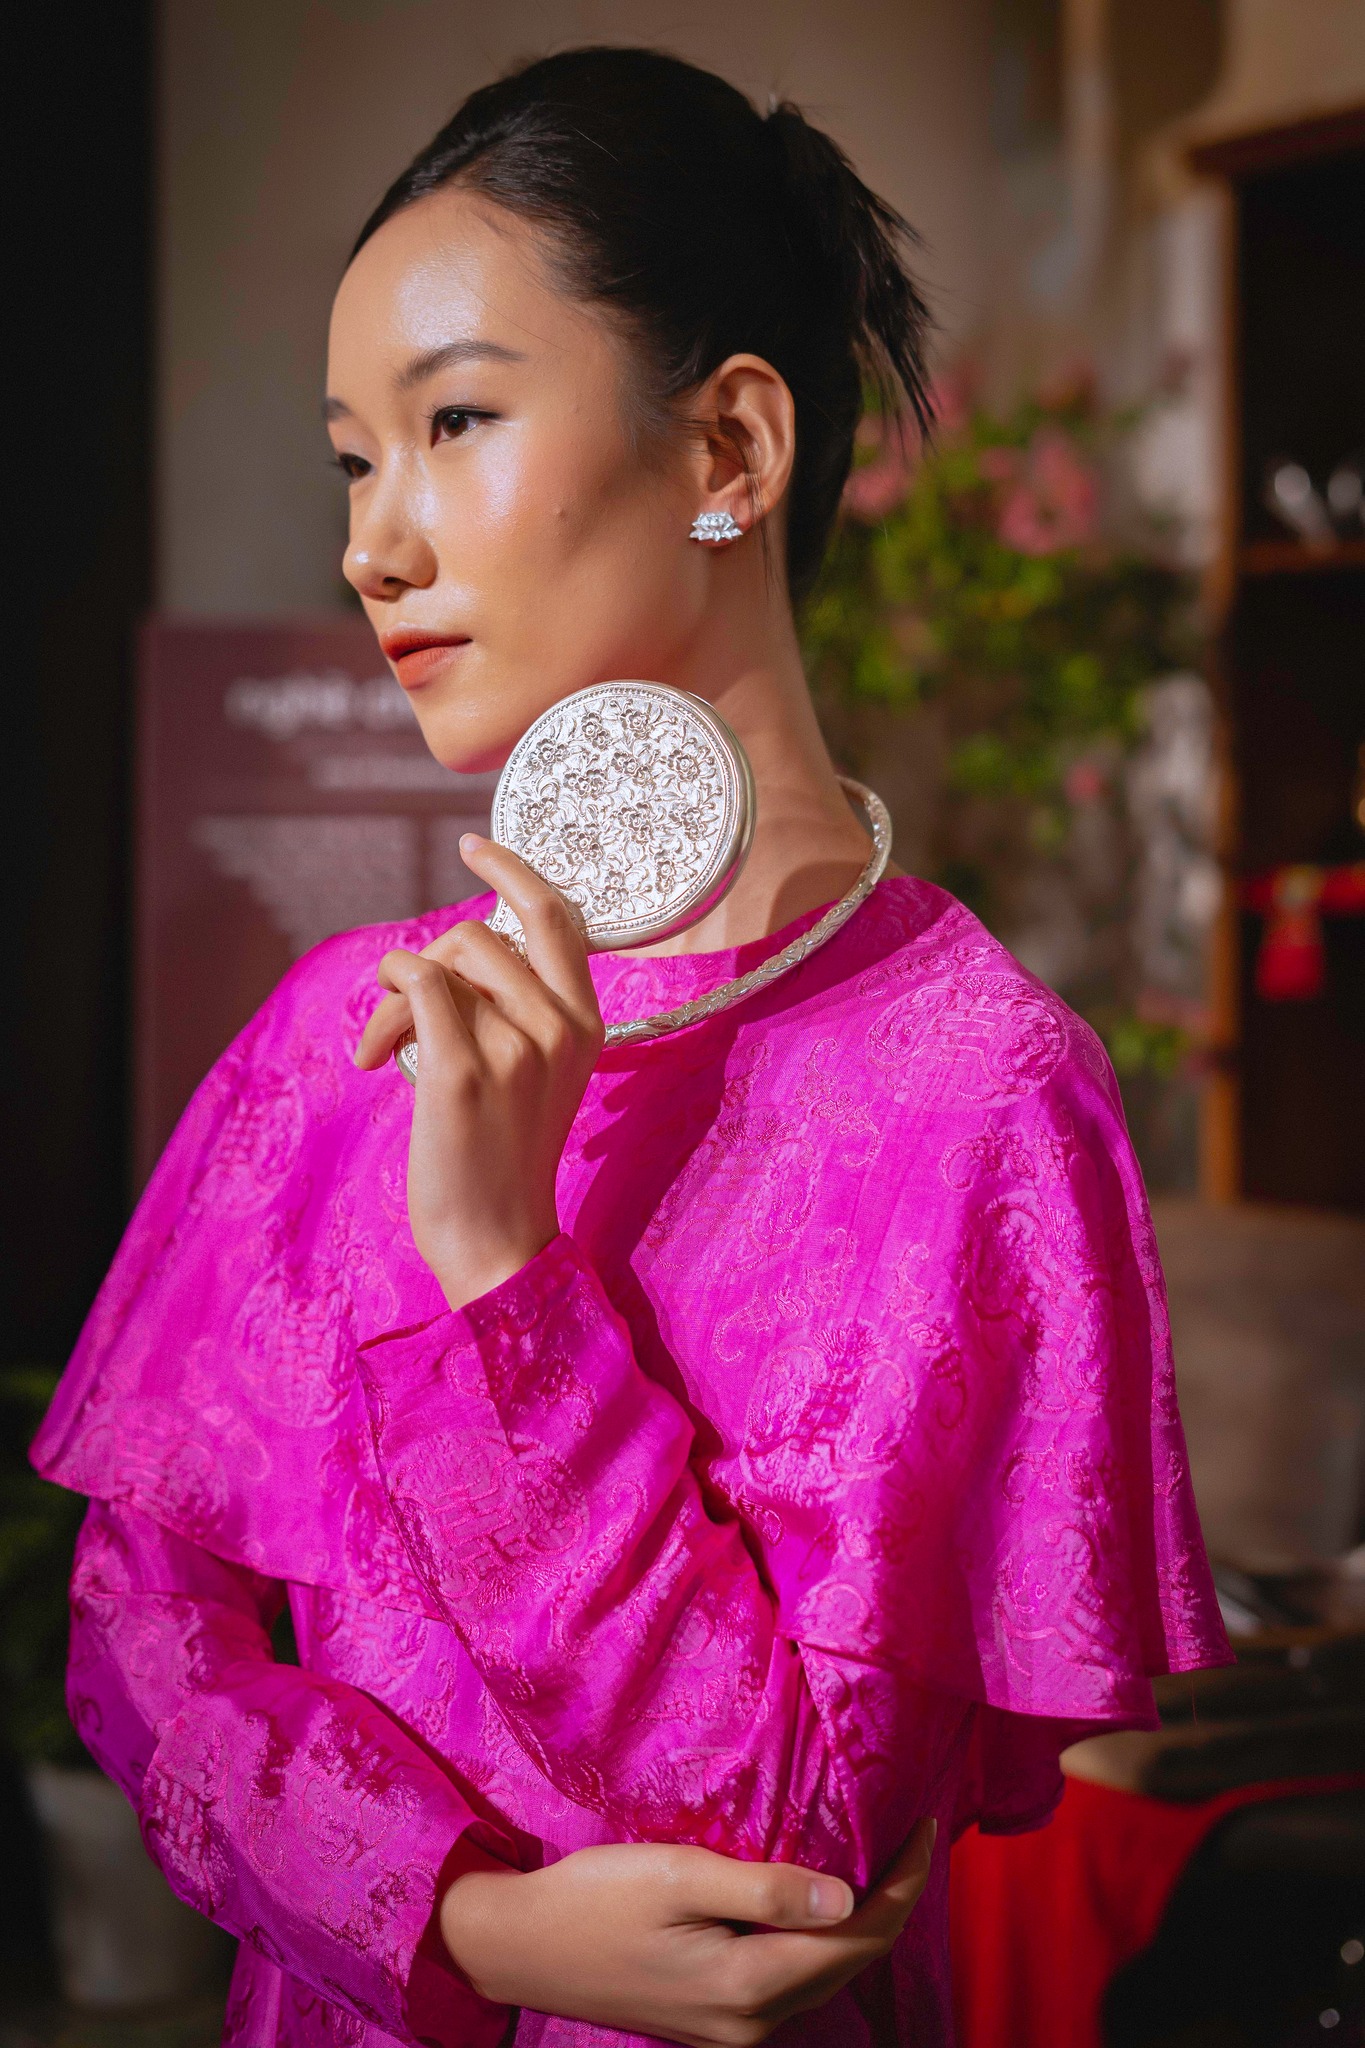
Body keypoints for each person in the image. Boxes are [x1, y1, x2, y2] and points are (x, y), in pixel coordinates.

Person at [33, 46, 1229, 2048]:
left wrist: (501, 1275)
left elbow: (781, 1842)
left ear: (730, 445)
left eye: (453, 420)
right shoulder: (342, 1030)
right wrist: (465, 1926)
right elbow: (138, 1634)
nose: (373, 542)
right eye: (353, 458)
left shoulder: (975, 1093)